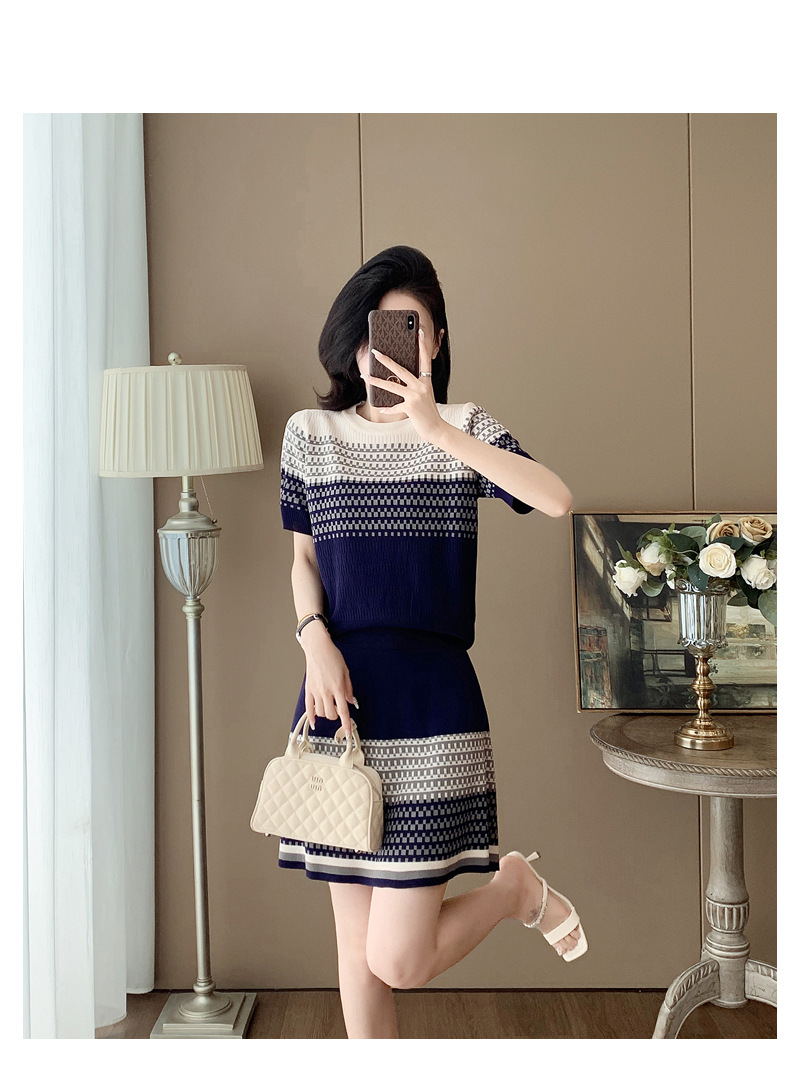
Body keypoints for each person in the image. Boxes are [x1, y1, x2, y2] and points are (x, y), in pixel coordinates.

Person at [277, 245, 586, 1039]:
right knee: (356, 955)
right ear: (353, 344)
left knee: (400, 959)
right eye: (376, 331)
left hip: (433, 706)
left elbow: (555, 499)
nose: (388, 348)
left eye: (409, 329)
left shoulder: (464, 429)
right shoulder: (311, 434)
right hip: (338, 698)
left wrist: (436, 429)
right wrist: (314, 640)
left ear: (436, 341)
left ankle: (513, 891)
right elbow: (304, 560)